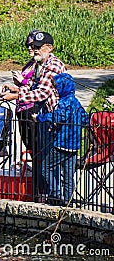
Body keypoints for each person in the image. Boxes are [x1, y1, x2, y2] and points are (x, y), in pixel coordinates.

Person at [0, 31, 67, 199]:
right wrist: (15, 90)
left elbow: (42, 93)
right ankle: (45, 194)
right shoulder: (39, 64)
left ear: (49, 48)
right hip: (44, 118)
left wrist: (16, 96)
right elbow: (29, 86)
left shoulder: (53, 65)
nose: (34, 49)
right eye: (31, 47)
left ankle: (54, 196)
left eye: (37, 47)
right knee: (41, 158)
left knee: (49, 162)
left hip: (55, 119)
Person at [32, 73, 88, 205]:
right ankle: (68, 202)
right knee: (69, 176)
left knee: (45, 168)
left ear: (64, 87)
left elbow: (57, 117)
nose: (55, 90)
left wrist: (39, 118)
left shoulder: (64, 103)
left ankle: (56, 194)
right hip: (75, 146)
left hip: (62, 144)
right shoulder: (75, 101)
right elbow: (85, 118)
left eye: (57, 87)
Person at [12, 29, 41, 155]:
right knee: (27, 144)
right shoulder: (30, 62)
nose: (29, 48)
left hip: (31, 107)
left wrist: (22, 81)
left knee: (35, 145)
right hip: (21, 107)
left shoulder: (40, 64)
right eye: (27, 45)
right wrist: (15, 87)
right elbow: (25, 85)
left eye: (32, 45)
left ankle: (37, 173)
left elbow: (38, 87)